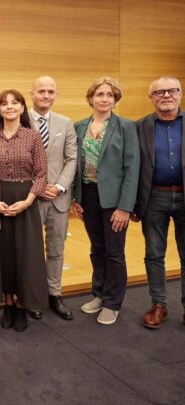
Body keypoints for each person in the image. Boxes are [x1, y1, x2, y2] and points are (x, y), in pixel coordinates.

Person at [72, 77, 140, 325]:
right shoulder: (79, 126)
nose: (104, 99)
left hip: (114, 199)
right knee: (96, 249)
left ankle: (113, 302)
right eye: (100, 94)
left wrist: (125, 207)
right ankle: (99, 294)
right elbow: (74, 165)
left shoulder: (125, 126)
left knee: (114, 252)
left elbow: (133, 168)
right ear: (91, 98)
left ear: (115, 99)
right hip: (88, 196)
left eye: (110, 95)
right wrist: (75, 198)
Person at [0, 89, 48, 332]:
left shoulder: (33, 137)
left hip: (25, 201)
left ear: (22, 108)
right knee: (4, 255)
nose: (9, 107)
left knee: (25, 255)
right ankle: (8, 304)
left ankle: (22, 306)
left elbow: (41, 174)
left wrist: (29, 201)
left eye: (15, 102)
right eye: (4, 103)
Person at [133, 76, 184, 330]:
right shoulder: (139, 127)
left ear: (180, 94)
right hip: (154, 197)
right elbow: (131, 169)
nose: (166, 96)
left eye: (172, 91)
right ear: (150, 97)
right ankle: (158, 305)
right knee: (154, 254)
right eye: (159, 92)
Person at [28, 76, 78, 320]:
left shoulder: (65, 123)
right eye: (41, 91)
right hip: (30, 199)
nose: (46, 95)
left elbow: (72, 159)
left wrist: (58, 186)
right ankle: (33, 295)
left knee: (56, 249)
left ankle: (54, 293)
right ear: (32, 94)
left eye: (50, 91)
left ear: (55, 94)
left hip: (58, 199)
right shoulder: (19, 120)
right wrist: (37, 187)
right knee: (32, 250)